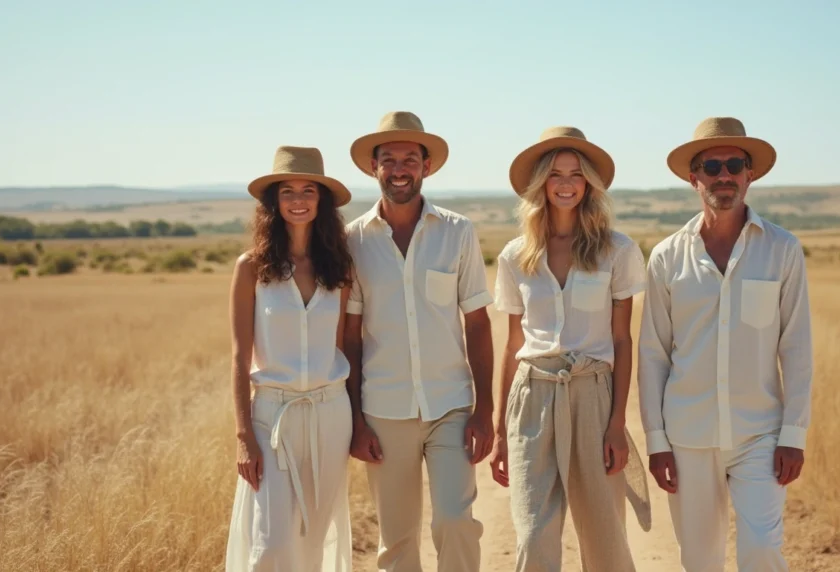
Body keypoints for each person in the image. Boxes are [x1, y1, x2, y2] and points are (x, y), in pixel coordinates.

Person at [637, 117, 814, 571]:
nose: (724, 175)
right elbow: (654, 354)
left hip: (760, 432)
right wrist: (657, 442)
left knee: (762, 550)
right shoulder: (666, 257)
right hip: (687, 436)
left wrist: (793, 434)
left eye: (734, 164)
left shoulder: (782, 249)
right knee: (700, 559)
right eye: (711, 166)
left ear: (749, 174)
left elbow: (796, 346)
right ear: (693, 177)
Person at [489, 126, 652, 572]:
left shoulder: (617, 251)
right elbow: (513, 345)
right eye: (555, 174)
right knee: (534, 534)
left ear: (589, 185)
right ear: (540, 182)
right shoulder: (514, 256)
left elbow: (622, 339)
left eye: (576, 175)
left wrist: (617, 423)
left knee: (603, 536)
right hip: (532, 396)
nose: (565, 183)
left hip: (592, 395)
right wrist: (501, 431)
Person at [342, 111, 495, 572]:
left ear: (427, 167)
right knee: (397, 539)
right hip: (384, 412)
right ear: (374, 168)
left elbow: (479, 324)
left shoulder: (457, 231)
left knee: (454, 521)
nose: (400, 168)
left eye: (411, 158)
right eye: (389, 159)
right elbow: (350, 336)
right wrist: (356, 419)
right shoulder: (353, 241)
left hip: (450, 406)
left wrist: (484, 410)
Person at [225, 146, 356, 572]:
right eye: (287, 191)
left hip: (330, 414)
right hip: (271, 418)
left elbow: (343, 346)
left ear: (321, 201)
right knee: (272, 542)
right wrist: (245, 436)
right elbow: (239, 355)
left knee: (314, 536)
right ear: (274, 203)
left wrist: (360, 419)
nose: (298, 200)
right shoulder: (252, 268)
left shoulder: (338, 268)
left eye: (307, 191)